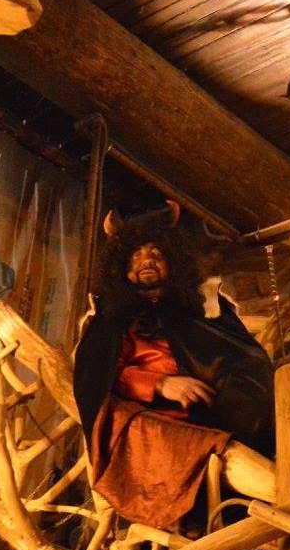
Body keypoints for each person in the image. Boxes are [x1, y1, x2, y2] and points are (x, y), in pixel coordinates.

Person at [72, 202, 275, 529]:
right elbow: (101, 377)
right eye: (136, 255)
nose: (147, 260)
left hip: (211, 414)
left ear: (173, 263)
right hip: (153, 423)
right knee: (200, 450)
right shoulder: (110, 321)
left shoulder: (203, 311)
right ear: (121, 269)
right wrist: (161, 384)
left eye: (156, 253)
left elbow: (244, 357)